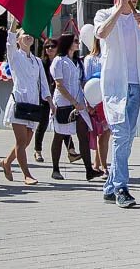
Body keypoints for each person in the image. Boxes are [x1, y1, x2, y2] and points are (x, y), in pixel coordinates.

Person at [95, 0, 140, 209]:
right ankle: (122, 187)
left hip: (136, 85)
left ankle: (109, 187)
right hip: (114, 85)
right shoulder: (104, 14)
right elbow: (101, 33)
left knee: (128, 139)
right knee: (121, 136)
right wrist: (119, 10)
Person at [0, 26, 52, 186]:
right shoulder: (15, 56)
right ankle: (26, 174)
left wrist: (50, 101)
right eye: (24, 35)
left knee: (27, 140)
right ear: (18, 39)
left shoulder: (37, 61)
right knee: (21, 141)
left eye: (30, 34)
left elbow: (43, 82)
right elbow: (9, 42)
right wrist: (14, 20)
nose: (28, 37)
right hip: (19, 102)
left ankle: (7, 162)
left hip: (33, 104)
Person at [49, 33, 101, 181]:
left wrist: (88, 103)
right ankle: (55, 169)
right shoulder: (59, 61)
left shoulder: (78, 62)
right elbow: (59, 85)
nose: (78, 43)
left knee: (83, 134)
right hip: (64, 103)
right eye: (76, 41)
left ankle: (89, 170)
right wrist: (73, 102)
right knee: (60, 134)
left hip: (79, 103)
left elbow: (82, 83)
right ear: (68, 43)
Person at [32, 38, 76, 164]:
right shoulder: (42, 63)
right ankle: (38, 150)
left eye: (52, 46)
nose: (49, 49)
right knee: (43, 124)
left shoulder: (61, 61)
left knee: (63, 123)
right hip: (45, 97)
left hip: (58, 98)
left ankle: (71, 150)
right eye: (47, 47)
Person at [82, 38, 109, 176]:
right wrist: (88, 103)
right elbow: (87, 80)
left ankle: (98, 164)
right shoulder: (90, 59)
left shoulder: (110, 56)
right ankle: (104, 166)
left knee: (105, 134)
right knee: (101, 134)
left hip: (107, 98)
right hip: (95, 98)